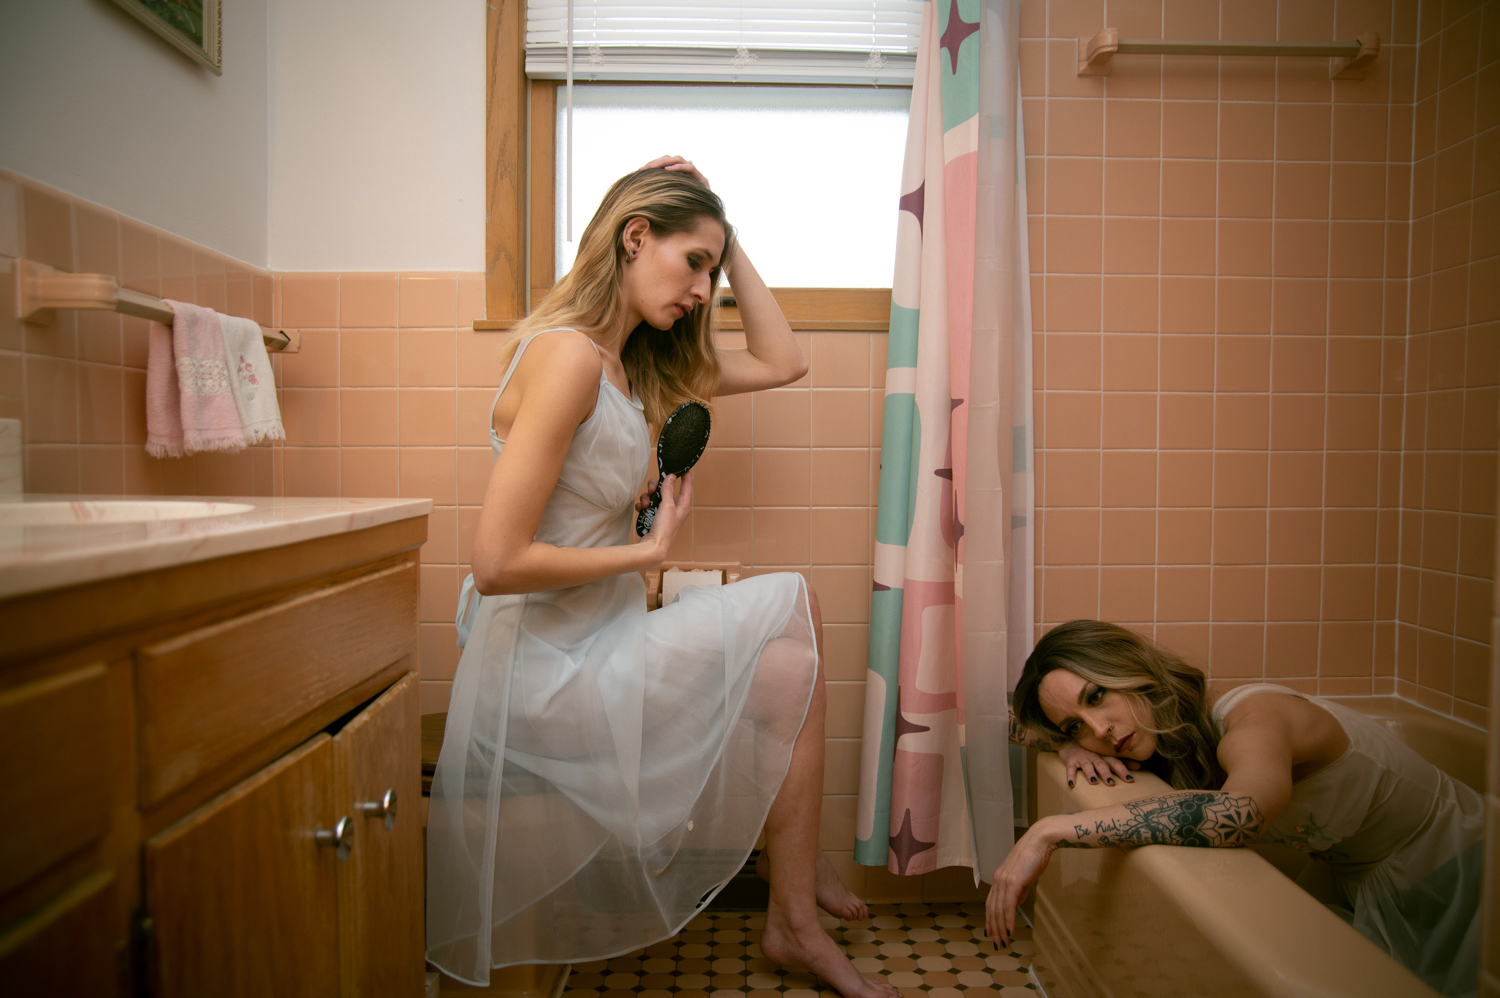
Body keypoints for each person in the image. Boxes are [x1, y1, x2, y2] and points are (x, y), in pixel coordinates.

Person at [425, 156, 899, 998]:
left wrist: (727, 229)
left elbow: (784, 360)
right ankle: (797, 903)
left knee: (791, 652)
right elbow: (495, 565)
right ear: (634, 237)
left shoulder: (634, 370)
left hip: (598, 638)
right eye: (694, 264)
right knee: (794, 612)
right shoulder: (567, 359)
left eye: (713, 272)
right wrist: (648, 555)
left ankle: (793, 909)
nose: (703, 290)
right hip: (544, 672)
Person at [994, 619, 1482, 998]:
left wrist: (1053, 829)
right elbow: (1016, 725)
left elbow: (1240, 813)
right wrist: (1065, 746)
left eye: (1097, 696)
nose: (1099, 729)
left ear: (1132, 669)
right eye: (1077, 725)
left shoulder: (1255, 715)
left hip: (1462, 868)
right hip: (1369, 879)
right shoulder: (1161, 743)